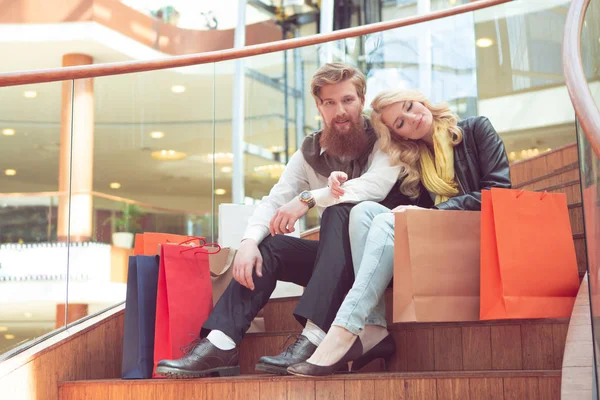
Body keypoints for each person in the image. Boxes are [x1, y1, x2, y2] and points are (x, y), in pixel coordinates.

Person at [155, 63, 411, 378]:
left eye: (347, 100)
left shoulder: (385, 136)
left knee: (338, 210)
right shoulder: (311, 150)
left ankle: (315, 336)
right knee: (270, 247)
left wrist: (309, 199)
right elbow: (275, 199)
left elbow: (375, 186)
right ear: (319, 106)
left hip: (385, 261)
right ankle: (220, 343)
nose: (340, 111)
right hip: (339, 265)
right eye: (329, 103)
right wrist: (249, 242)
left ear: (361, 99)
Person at [287, 89, 512, 377]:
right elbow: (388, 205)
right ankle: (373, 326)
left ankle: (344, 328)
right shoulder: (415, 160)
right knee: (364, 212)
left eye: (409, 106)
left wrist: (437, 212)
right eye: (401, 123)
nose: (412, 117)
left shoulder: (476, 129)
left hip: (479, 236)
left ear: (422, 101)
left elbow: (499, 191)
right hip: (439, 241)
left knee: (383, 222)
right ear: (400, 135)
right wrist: (337, 186)